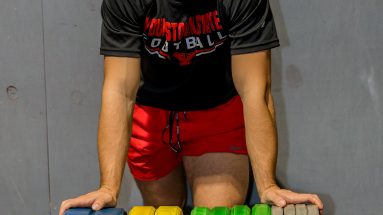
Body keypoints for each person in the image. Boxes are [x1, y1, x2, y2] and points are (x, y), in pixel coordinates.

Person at [59, 0, 324, 214]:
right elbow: (119, 90)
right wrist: (107, 187)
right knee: (164, 212)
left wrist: (267, 184)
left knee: (217, 212)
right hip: (151, 119)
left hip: (217, 114)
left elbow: (255, 91)